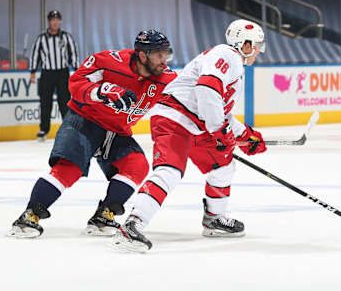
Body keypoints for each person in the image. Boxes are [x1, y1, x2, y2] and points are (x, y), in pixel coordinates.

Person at [111, 19, 267, 252]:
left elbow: (218, 109)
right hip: (175, 118)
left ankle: (215, 218)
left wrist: (246, 135)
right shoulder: (228, 55)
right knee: (169, 172)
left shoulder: (233, 65)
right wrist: (219, 130)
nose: (258, 50)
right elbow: (207, 89)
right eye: (256, 45)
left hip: (197, 124)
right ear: (244, 44)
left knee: (223, 166)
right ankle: (132, 225)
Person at [7, 30, 177, 238]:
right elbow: (76, 83)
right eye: (159, 54)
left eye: (166, 54)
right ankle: (29, 216)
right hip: (85, 119)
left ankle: (104, 216)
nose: (164, 60)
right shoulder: (109, 61)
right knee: (69, 168)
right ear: (142, 55)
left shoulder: (168, 79)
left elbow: (186, 103)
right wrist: (102, 91)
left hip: (116, 131)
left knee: (137, 165)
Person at [29, 10, 80, 141]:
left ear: (60, 21)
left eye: (57, 19)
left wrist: (77, 70)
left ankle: (68, 128)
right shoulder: (41, 38)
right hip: (47, 73)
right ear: (49, 22)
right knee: (45, 102)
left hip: (62, 72)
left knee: (65, 102)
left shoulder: (66, 37)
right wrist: (33, 72)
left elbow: (72, 53)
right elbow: (35, 55)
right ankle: (44, 129)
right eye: (53, 20)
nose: (55, 22)